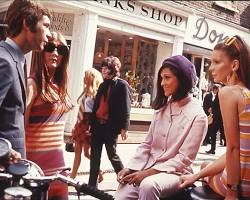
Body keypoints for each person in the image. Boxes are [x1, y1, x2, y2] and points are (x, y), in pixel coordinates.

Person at [115, 55, 207, 200]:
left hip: (176, 174)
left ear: (182, 79)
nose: (162, 83)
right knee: (123, 192)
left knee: (148, 186)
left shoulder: (198, 116)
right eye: (161, 78)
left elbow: (184, 159)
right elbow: (147, 144)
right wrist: (131, 168)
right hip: (149, 167)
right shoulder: (161, 109)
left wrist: (148, 173)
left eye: (167, 77)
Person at [180, 35, 250, 199]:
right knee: (205, 166)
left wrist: (232, 193)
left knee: (204, 166)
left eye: (217, 62)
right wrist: (194, 177)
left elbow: (233, 148)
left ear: (234, 65)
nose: (211, 68)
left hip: (242, 185)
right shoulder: (247, 94)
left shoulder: (228, 92)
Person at [0, 0, 51, 158]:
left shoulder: (16, 59)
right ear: (27, 23)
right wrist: (3, 152)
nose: (49, 34)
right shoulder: (4, 61)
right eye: (46, 26)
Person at [25, 32, 72, 200]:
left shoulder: (61, 86)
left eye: (61, 49)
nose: (55, 53)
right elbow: (20, 128)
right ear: (41, 51)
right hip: (36, 172)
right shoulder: (33, 84)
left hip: (60, 171)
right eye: (50, 47)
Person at [88, 56, 131, 187]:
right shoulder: (102, 84)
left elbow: (126, 107)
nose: (103, 70)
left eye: (106, 68)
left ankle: (125, 180)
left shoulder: (122, 85)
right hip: (97, 125)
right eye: (102, 68)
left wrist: (125, 127)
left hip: (110, 126)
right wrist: (91, 124)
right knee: (95, 156)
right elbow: (96, 105)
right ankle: (91, 184)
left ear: (113, 69)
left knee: (112, 154)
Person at [70, 68, 104, 181]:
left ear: (90, 79)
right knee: (81, 153)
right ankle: (73, 177)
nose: (84, 78)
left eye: (86, 76)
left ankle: (73, 176)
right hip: (81, 123)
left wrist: (89, 127)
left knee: (82, 153)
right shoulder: (86, 92)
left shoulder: (94, 94)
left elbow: (91, 113)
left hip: (87, 124)